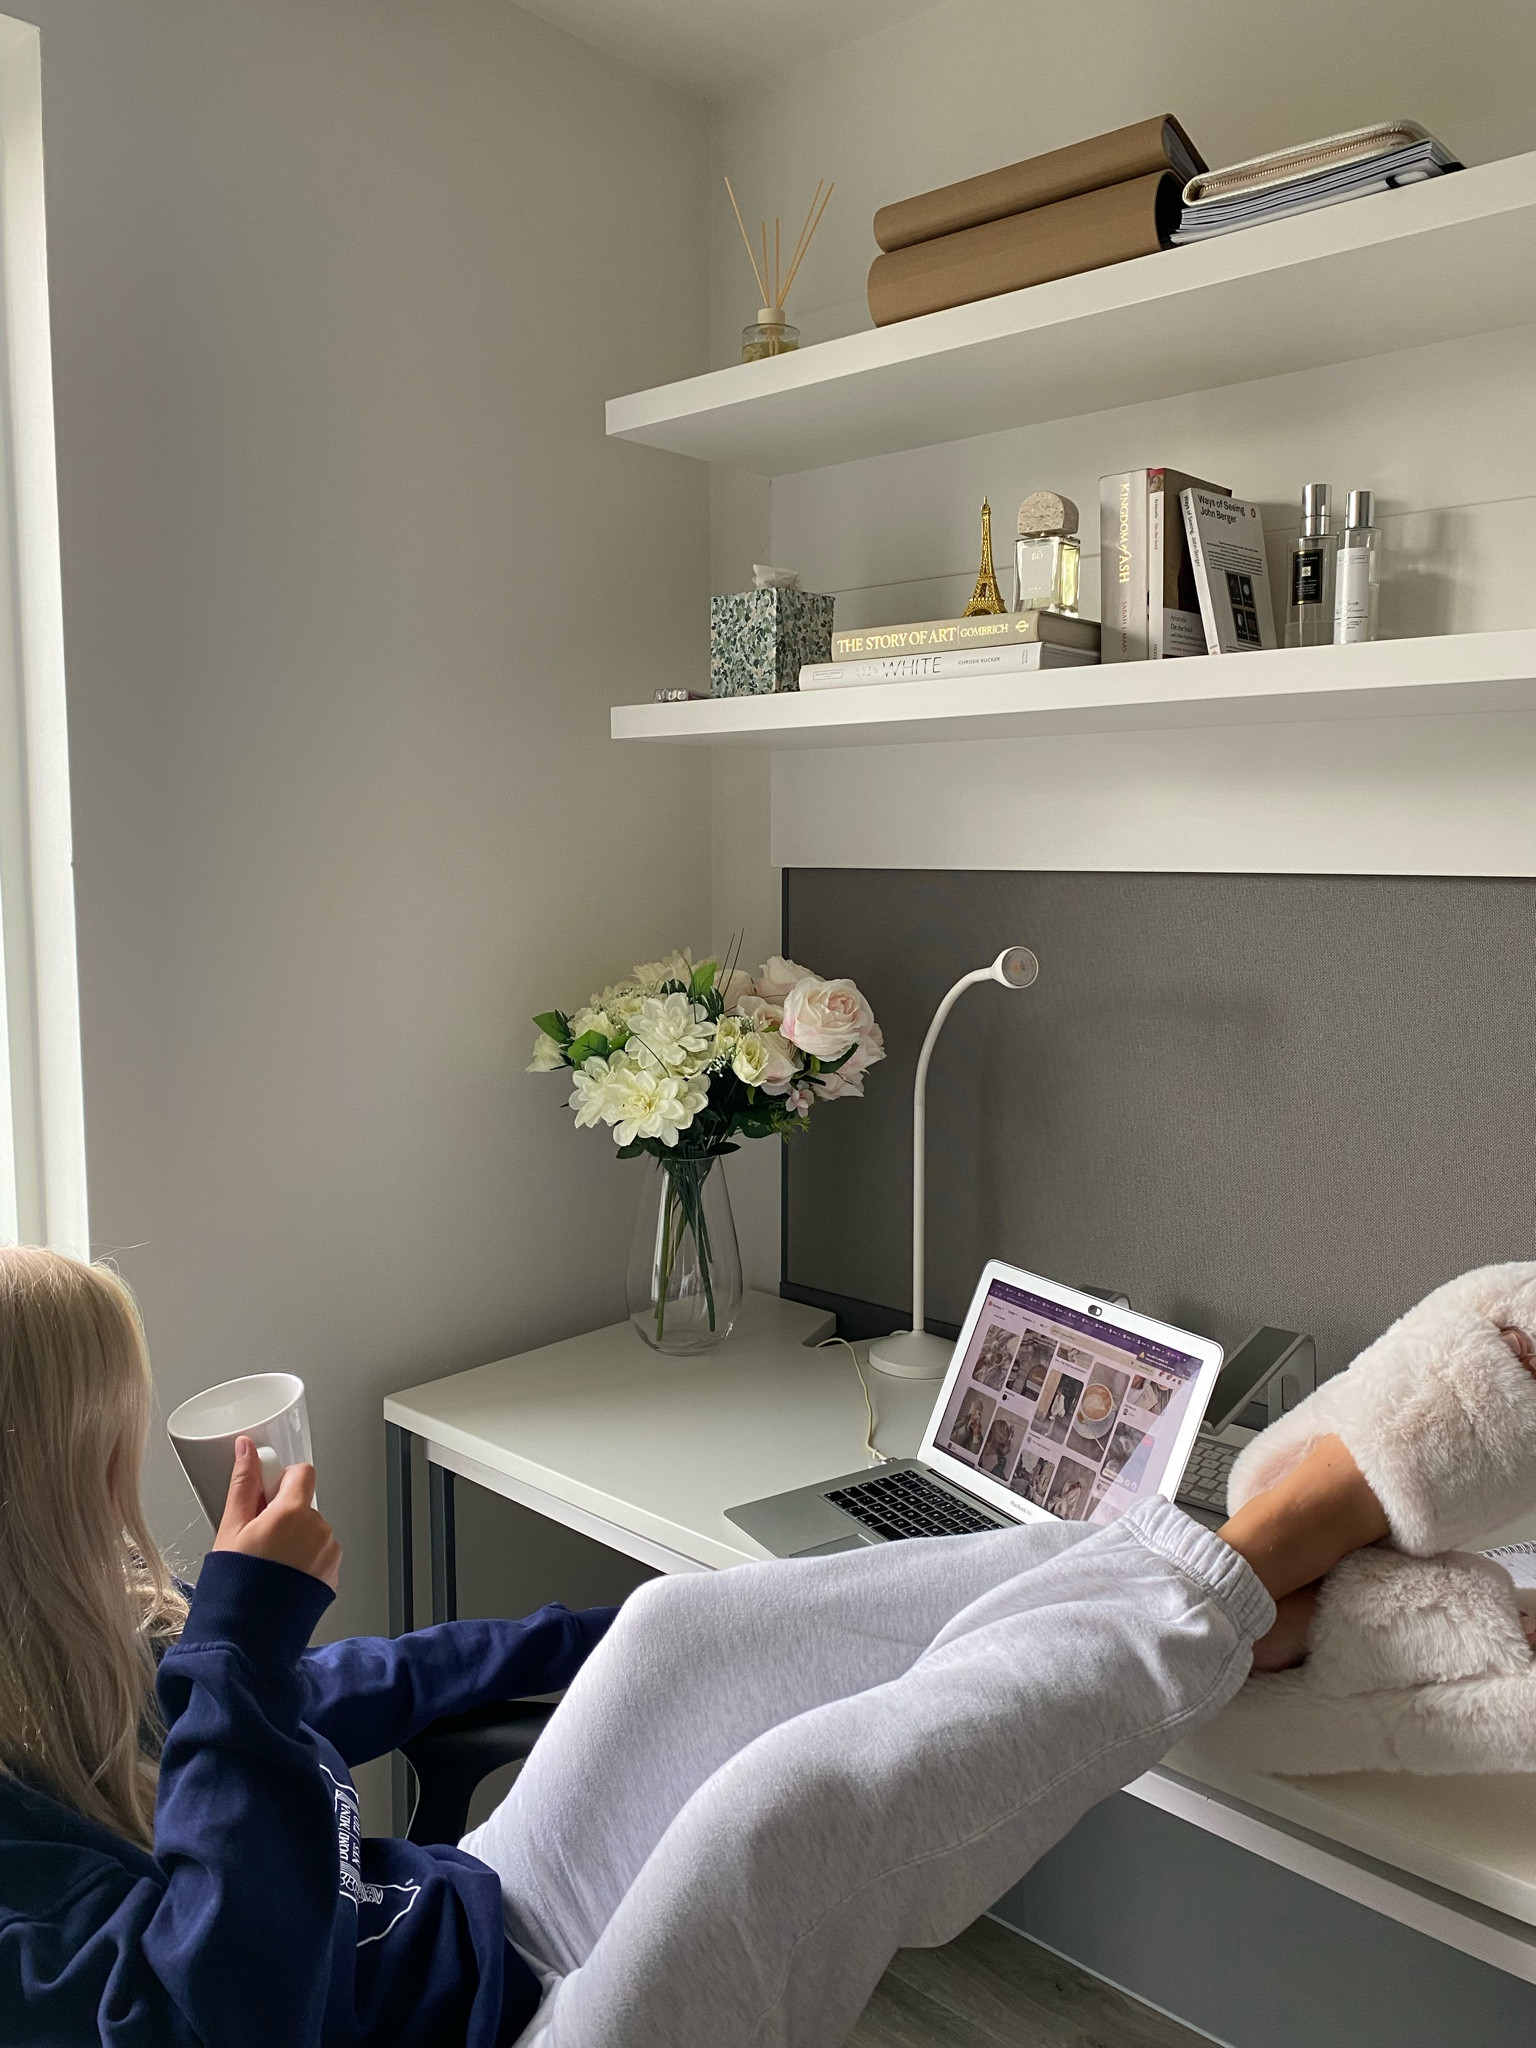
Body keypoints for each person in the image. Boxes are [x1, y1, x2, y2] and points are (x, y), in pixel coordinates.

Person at [1, 1249, 1530, 2048]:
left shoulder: (60, 1673)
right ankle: (1273, 1545)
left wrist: (641, 1638)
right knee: (778, 1817)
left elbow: (346, 1697)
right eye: (110, 1464)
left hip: (468, 1940)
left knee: (675, 1634)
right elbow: (217, 2018)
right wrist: (241, 1647)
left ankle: (1213, 1588)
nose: (131, 1504)